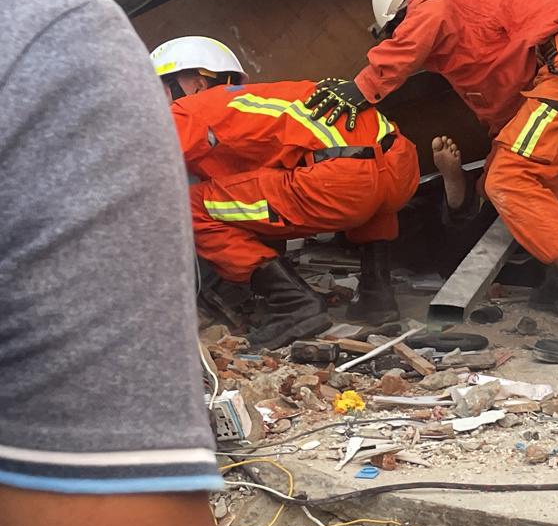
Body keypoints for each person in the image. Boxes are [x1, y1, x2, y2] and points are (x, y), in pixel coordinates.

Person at [0, 0, 222, 526]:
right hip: (370, 195)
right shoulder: (51, 45)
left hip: (332, 200)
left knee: (222, 220)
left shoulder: (203, 107)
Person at [308, 0, 558, 363]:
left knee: (512, 178)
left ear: (401, 15)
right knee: (540, 170)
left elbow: (427, 20)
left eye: (397, 32)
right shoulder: (472, 22)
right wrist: (491, 169)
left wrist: (363, 86)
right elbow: (504, 109)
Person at [152, 36, 421, 346]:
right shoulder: (262, 101)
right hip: (400, 168)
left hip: (342, 184)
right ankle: (377, 296)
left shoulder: (190, 109)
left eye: (159, 89)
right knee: (362, 176)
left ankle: (294, 304)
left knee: (189, 207)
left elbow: (140, 162)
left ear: (197, 83)